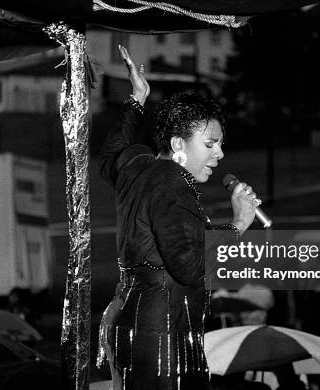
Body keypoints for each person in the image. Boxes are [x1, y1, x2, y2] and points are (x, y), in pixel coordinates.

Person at [97, 45, 260, 390]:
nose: (220, 153)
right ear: (178, 145)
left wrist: (137, 98)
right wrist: (238, 224)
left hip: (132, 323)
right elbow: (188, 264)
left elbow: (111, 153)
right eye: (211, 143)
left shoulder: (138, 168)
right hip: (162, 335)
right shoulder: (172, 183)